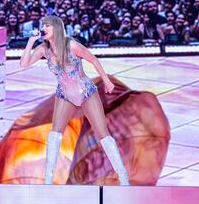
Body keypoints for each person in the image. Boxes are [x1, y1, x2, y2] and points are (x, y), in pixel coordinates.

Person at [19, 15, 130, 185]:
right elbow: (23, 64)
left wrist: (106, 80)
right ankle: (48, 180)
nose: (43, 28)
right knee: (55, 134)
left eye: (47, 25)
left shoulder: (71, 45)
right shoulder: (43, 49)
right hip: (65, 94)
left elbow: (93, 60)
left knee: (103, 134)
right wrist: (30, 42)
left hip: (85, 91)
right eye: (43, 26)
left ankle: (123, 176)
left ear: (56, 27)